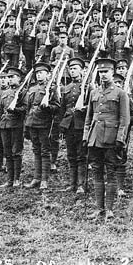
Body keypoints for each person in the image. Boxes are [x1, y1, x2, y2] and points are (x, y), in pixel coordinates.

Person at [83, 58, 130, 221]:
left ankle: (109, 209)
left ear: (113, 72)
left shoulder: (120, 93)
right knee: (96, 172)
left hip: (111, 138)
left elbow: (125, 119)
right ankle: (99, 209)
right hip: (95, 138)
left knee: (110, 172)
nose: (103, 75)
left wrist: (120, 139)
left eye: (106, 72)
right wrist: (86, 136)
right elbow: (89, 117)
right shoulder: (94, 93)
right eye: (101, 72)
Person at [24, 62, 60, 189]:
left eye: (41, 73)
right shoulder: (32, 89)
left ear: (48, 74)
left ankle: (44, 179)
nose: (39, 75)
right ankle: (36, 178)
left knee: (45, 151)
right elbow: (28, 108)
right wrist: (26, 125)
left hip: (44, 123)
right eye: (37, 73)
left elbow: (57, 106)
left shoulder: (52, 88)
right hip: (32, 122)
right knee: (36, 150)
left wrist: (48, 107)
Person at [59, 57, 89, 194]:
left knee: (82, 156)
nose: (72, 71)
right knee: (71, 156)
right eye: (71, 69)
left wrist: (84, 108)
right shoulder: (66, 88)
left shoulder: (88, 87)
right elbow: (63, 108)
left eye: (75, 68)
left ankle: (82, 185)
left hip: (81, 125)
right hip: (69, 125)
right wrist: (61, 126)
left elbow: (93, 107)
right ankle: (72, 184)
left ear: (82, 70)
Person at [0, 67, 27, 188]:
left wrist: (15, 109)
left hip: (16, 124)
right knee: (7, 152)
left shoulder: (23, 91)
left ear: (19, 78)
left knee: (16, 152)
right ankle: (9, 179)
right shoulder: (4, 93)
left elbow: (25, 108)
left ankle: (16, 179)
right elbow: (0, 111)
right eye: (8, 77)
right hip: (4, 125)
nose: (9, 79)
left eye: (12, 77)